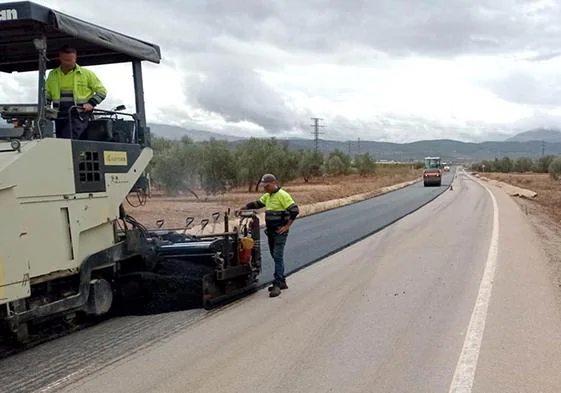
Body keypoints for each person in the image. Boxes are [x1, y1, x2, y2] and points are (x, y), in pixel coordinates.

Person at [242, 173, 299, 298]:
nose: (265, 188)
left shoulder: (283, 195)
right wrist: (244, 207)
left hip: (280, 232)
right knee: (274, 255)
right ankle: (282, 281)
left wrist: (286, 226)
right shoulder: (268, 196)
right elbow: (258, 204)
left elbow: (295, 210)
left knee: (277, 256)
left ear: (274, 183)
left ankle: (277, 284)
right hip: (271, 232)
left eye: (267, 186)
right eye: (263, 186)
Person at [45, 45, 107, 139]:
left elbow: (102, 91)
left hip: (79, 114)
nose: (68, 63)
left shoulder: (86, 74)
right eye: (65, 60)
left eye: (71, 60)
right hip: (59, 115)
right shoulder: (52, 74)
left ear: (75, 58)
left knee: (66, 139)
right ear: (60, 58)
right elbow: (47, 94)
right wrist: (47, 107)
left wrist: (91, 103)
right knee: (60, 140)